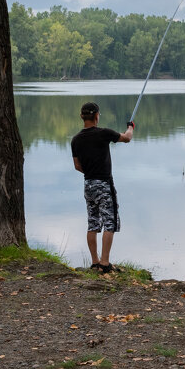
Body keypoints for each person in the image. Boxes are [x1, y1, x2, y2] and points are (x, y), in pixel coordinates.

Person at [71, 101, 134, 273]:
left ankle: (94, 262)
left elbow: (77, 166)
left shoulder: (76, 139)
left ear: (82, 117)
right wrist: (131, 127)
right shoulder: (103, 133)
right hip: (104, 184)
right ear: (97, 116)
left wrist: (91, 172)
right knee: (110, 222)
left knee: (93, 223)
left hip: (88, 185)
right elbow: (127, 138)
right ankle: (105, 264)